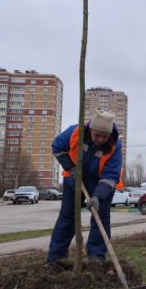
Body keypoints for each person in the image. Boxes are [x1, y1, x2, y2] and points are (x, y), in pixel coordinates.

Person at [48, 109, 122, 264]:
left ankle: (96, 258)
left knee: (100, 218)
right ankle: (56, 258)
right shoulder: (75, 132)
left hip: (100, 183)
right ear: (90, 130)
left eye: (104, 136)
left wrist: (97, 196)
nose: (100, 139)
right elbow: (57, 147)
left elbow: (110, 176)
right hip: (74, 179)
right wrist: (70, 167)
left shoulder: (115, 147)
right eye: (97, 135)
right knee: (67, 217)